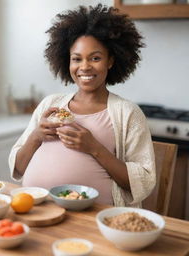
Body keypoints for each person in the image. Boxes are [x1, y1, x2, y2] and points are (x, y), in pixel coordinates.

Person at [9, 4, 156, 207]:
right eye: (76, 59)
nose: (84, 67)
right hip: (35, 209)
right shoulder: (50, 104)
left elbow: (143, 182)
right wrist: (36, 136)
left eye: (95, 58)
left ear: (110, 61)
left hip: (93, 220)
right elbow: (18, 167)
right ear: (67, 62)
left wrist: (94, 147)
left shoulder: (128, 113)